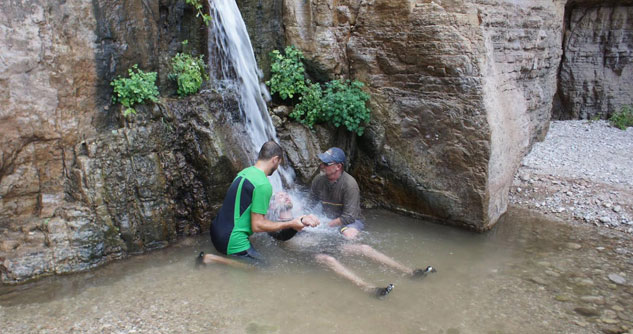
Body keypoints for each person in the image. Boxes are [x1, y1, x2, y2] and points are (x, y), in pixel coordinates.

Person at [268, 191, 436, 298]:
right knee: (328, 259)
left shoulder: (301, 213)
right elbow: (281, 237)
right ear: (273, 205)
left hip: (325, 244)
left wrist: (346, 229)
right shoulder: (274, 224)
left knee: (364, 248)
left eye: (286, 194)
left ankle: (410, 272)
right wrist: (299, 224)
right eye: (280, 196)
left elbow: (327, 226)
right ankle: (368, 288)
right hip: (307, 255)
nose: (286, 196)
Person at [198, 141, 313, 266]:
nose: (277, 168)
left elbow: (244, 206)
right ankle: (212, 259)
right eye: (279, 163)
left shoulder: (244, 173)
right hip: (231, 240)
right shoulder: (263, 184)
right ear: (275, 160)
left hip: (216, 231)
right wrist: (291, 223)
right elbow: (257, 226)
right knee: (261, 268)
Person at [310, 147, 365, 239]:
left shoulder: (350, 184)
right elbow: (309, 203)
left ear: (338, 167)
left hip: (351, 221)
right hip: (329, 219)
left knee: (349, 235)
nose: (321, 166)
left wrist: (326, 225)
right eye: (322, 162)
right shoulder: (318, 180)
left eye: (326, 164)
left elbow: (349, 217)